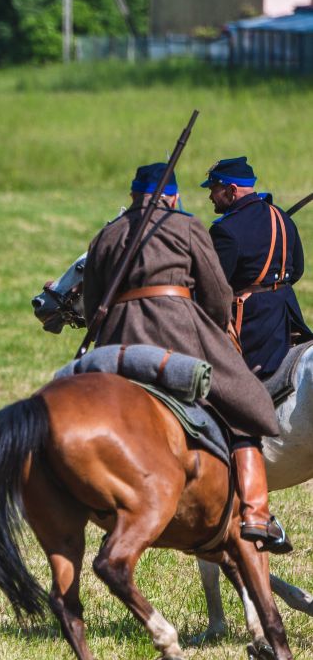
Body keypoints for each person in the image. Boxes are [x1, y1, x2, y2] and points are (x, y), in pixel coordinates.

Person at [82, 162, 290, 554]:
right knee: (247, 403)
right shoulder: (189, 226)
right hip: (175, 342)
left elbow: (95, 306)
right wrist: (209, 327)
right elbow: (216, 295)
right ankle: (256, 514)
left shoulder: (106, 234)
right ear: (173, 197)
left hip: (116, 350)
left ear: (132, 197)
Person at [203, 157, 311, 378]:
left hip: (253, 323)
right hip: (286, 311)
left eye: (214, 189)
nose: (210, 196)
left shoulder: (226, 230)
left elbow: (212, 287)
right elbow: (297, 270)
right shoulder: (280, 216)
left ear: (231, 190)